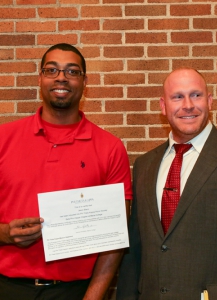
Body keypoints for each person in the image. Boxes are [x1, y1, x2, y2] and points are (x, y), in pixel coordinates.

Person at [116, 68, 217, 300]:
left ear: (210, 101)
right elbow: (135, 251)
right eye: (177, 97)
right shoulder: (145, 165)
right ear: (163, 107)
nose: (188, 105)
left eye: (196, 95)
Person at [0, 43, 132, 300]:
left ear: (85, 82)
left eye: (72, 71)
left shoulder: (109, 148)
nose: (61, 77)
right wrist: (5, 233)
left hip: (74, 292)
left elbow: (115, 238)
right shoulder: (4, 138)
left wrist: (91, 298)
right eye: (52, 70)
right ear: (40, 77)